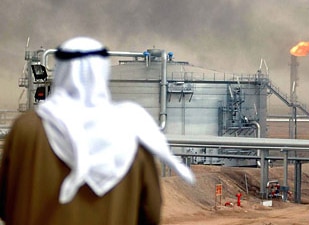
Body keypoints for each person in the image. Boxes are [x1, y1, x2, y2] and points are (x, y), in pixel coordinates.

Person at [0, 37, 195, 225]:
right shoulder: (133, 131)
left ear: (61, 70)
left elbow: (4, 202)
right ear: (102, 72)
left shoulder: (26, 129)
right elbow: (151, 213)